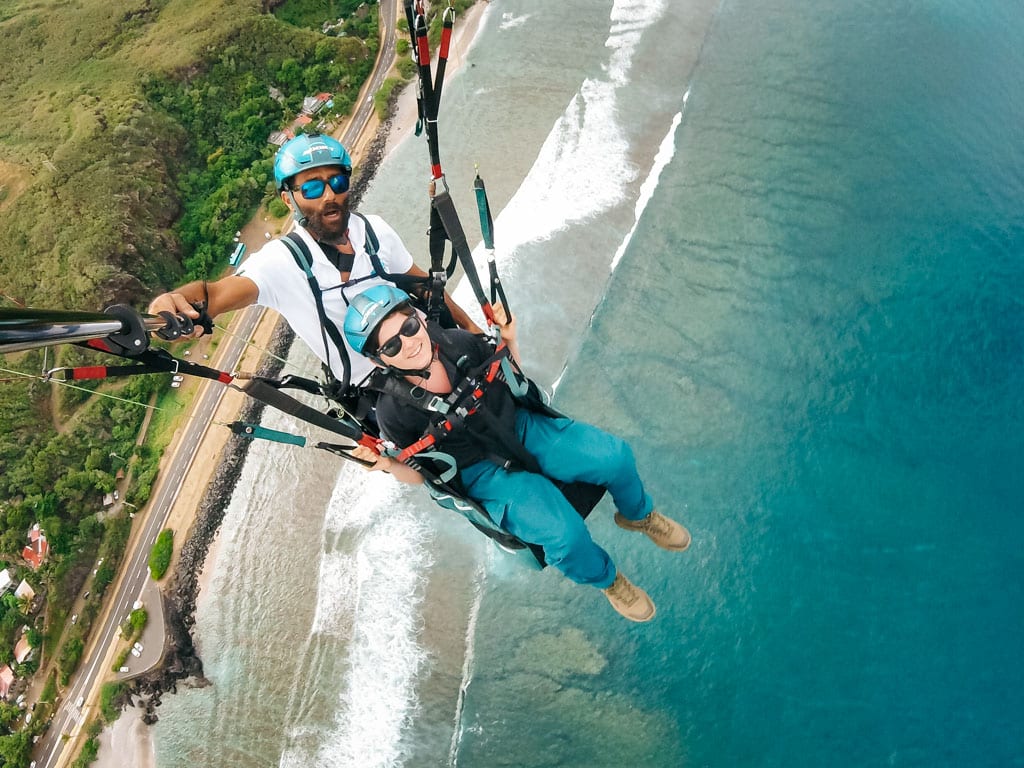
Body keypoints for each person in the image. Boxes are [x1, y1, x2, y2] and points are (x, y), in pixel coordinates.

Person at [343, 285, 691, 623]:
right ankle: (609, 582)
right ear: (379, 360)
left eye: (407, 327)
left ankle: (638, 515)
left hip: (519, 426)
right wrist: (386, 464)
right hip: (482, 472)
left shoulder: (459, 343)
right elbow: (421, 475)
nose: (408, 343)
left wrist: (510, 337)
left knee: (614, 457)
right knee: (564, 536)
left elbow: (511, 375)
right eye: (391, 345)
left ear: (418, 319)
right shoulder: (394, 413)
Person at [147, 133, 480, 387]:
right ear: (288, 198)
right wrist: (176, 304)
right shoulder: (283, 262)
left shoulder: (374, 231)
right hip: (379, 390)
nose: (329, 196)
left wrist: (471, 329)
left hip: (429, 350)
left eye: (337, 182)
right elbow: (216, 295)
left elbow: (423, 287)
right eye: (312, 189)